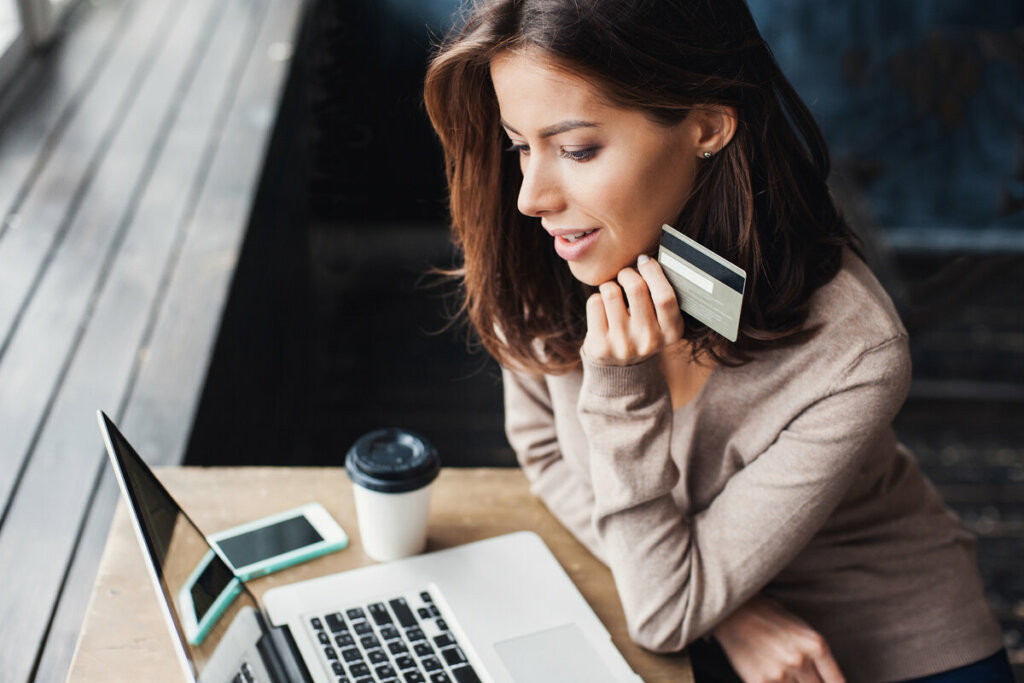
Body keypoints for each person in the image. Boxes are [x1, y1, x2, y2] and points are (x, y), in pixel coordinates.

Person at [422, 1, 1012, 681]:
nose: (531, 195)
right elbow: (547, 451)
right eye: (520, 145)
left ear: (706, 125)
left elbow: (663, 610)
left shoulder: (855, 350)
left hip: (883, 642)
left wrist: (619, 393)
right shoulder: (545, 253)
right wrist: (731, 612)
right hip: (692, 617)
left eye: (578, 148)